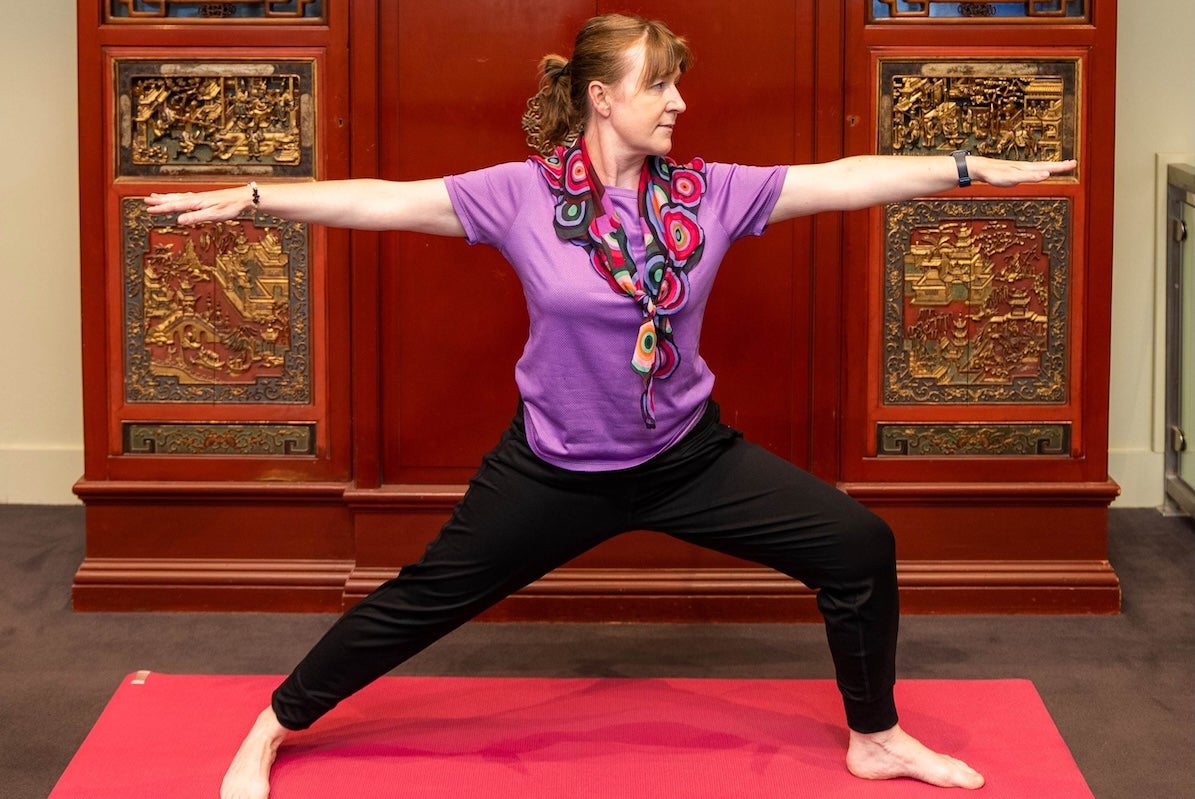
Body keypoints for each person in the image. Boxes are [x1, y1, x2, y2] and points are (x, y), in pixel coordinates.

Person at [146, 14, 1076, 799]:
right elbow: (386, 201)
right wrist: (262, 197)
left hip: (687, 455)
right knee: (419, 600)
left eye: (677, 86)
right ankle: (274, 720)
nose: (677, 103)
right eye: (658, 87)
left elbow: (842, 179)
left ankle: (873, 735)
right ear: (601, 98)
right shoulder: (521, 195)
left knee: (857, 545)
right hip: (555, 465)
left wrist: (964, 165)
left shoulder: (710, 193)